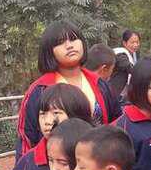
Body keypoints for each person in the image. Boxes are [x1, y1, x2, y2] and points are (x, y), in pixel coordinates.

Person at [16, 21, 121, 158]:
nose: (69, 45)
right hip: (57, 165)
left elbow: (117, 123)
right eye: (60, 43)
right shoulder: (39, 90)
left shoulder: (99, 84)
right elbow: (27, 139)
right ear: (49, 51)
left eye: (73, 39)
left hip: (98, 161)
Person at [109, 30, 141, 98]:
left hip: (124, 94)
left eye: (137, 42)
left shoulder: (135, 54)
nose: (135, 45)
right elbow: (129, 67)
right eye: (132, 42)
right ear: (124, 43)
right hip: (114, 92)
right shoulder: (120, 54)